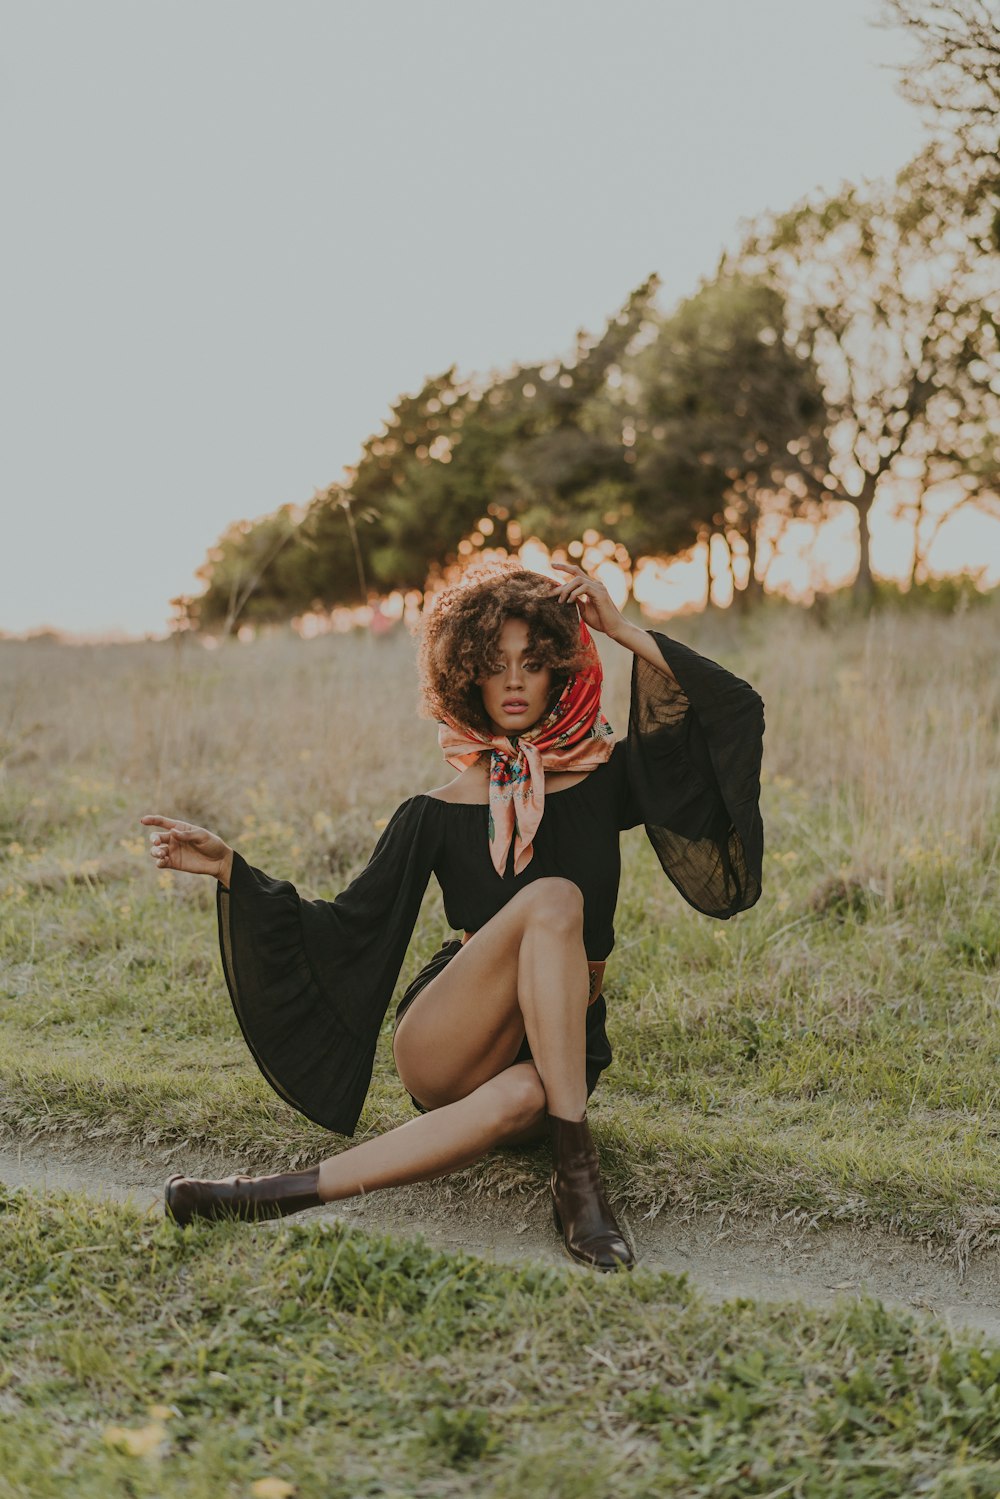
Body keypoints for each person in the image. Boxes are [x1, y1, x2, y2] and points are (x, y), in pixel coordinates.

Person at [140, 561, 764, 1271]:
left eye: (534, 662)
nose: (517, 682)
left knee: (523, 1095)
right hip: (452, 1034)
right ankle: (581, 1177)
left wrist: (619, 631)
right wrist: (230, 869)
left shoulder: (604, 776)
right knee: (555, 897)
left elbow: (733, 709)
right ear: (467, 673)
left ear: (561, 665)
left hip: (558, 1046)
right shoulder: (431, 813)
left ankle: (269, 1194)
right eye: (495, 666)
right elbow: (344, 928)